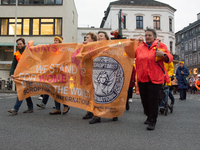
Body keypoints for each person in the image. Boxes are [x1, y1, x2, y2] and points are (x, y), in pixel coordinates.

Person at [135, 28, 173, 130]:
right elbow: (129, 55)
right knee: (144, 100)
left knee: (153, 100)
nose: (147, 37)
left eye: (149, 35)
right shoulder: (139, 48)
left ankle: (152, 120)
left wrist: (164, 55)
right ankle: (148, 115)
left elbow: (170, 58)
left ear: (155, 37)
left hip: (156, 78)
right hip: (142, 78)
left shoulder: (161, 46)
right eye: (146, 35)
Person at [88, 31, 119, 124]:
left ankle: (114, 112)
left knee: (109, 93)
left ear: (106, 37)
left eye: (101, 36)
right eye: (98, 36)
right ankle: (97, 116)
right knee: (97, 94)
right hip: (97, 73)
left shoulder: (111, 46)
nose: (99, 37)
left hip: (109, 72)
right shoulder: (95, 46)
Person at [36, 36, 70, 115]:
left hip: (61, 73)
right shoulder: (52, 50)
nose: (55, 42)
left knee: (60, 91)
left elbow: (66, 61)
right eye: (54, 40)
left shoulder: (63, 50)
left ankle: (65, 105)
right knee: (55, 91)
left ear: (60, 42)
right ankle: (57, 108)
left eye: (57, 40)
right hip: (53, 73)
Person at [7, 38, 34, 115]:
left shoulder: (28, 51)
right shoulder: (17, 54)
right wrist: (11, 73)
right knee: (25, 91)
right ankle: (30, 107)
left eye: (20, 44)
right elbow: (13, 64)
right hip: (20, 75)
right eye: (18, 44)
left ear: (24, 44)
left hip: (28, 74)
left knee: (22, 91)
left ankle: (15, 109)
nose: (19, 45)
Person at [82, 32, 97, 120]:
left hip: (94, 73)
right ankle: (89, 111)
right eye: (85, 38)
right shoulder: (84, 47)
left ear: (93, 39)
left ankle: (94, 111)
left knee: (94, 94)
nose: (86, 39)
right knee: (88, 93)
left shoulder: (96, 47)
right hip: (87, 73)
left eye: (87, 38)